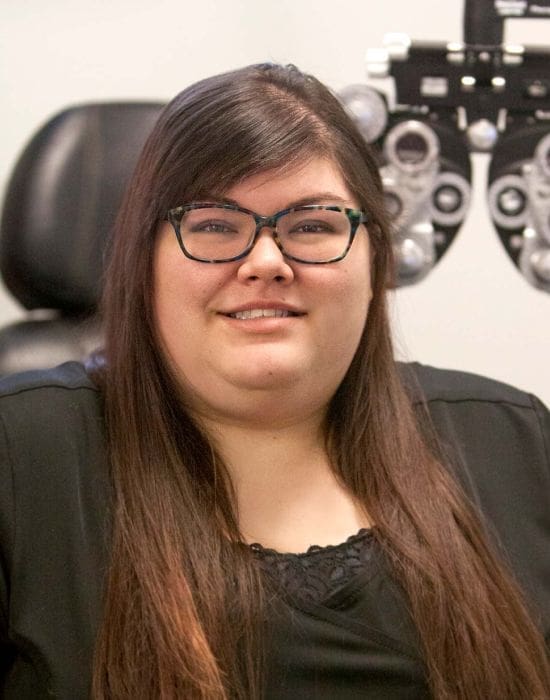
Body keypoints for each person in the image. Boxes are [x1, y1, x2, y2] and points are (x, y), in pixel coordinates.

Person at [0, 63, 549, 700]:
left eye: (313, 225)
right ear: (141, 262)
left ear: (377, 260)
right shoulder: (22, 457)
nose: (265, 262)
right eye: (212, 225)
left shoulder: (517, 443)